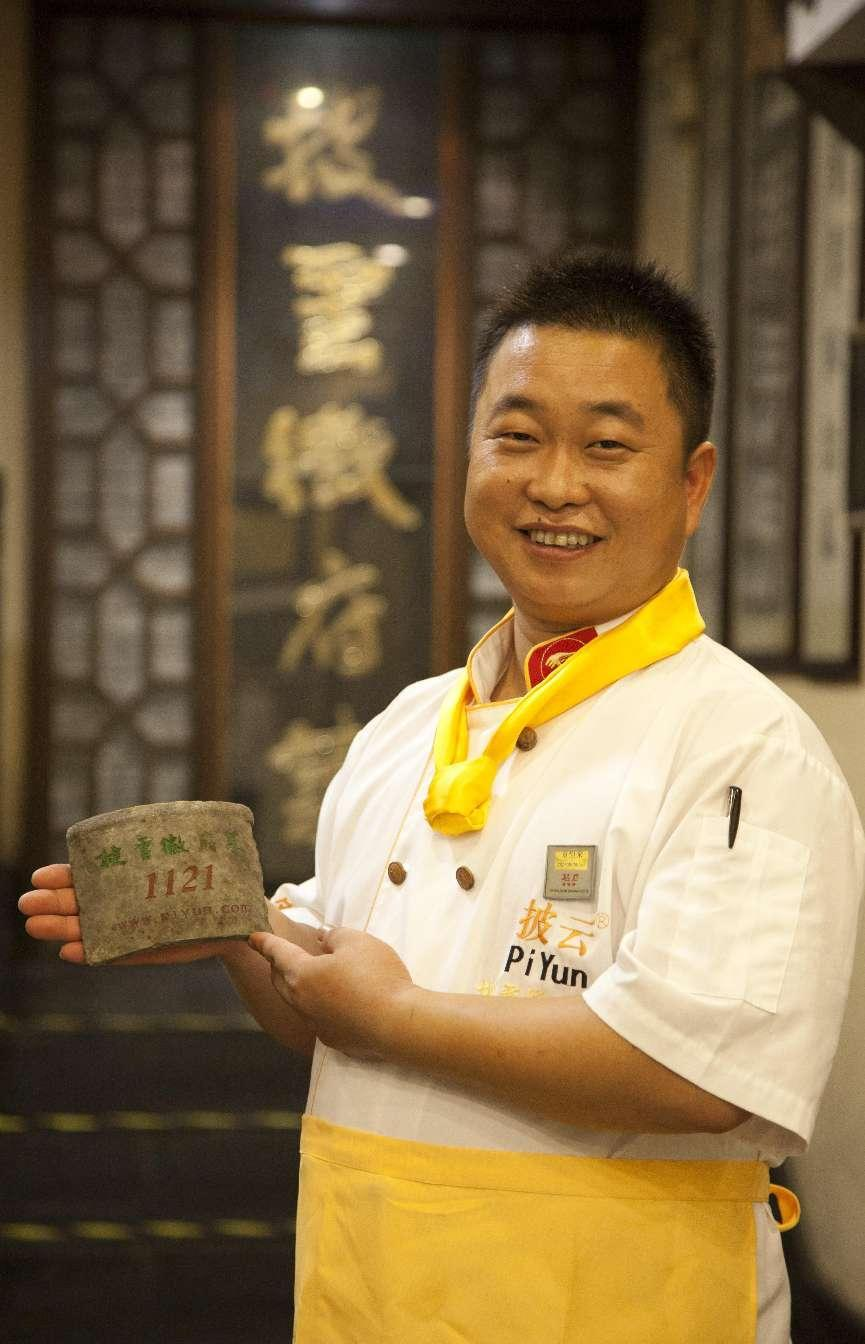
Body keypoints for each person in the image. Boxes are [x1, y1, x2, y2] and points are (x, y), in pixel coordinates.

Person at [21, 252, 864, 1344]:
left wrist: (395, 1017)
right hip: (370, 1297)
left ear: (692, 483)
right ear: (469, 455)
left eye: (606, 446)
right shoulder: (407, 726)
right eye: (516, 436)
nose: (553, 484)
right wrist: (240, 932)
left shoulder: (745, 745)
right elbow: (325, 1017)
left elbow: (696, 1071)